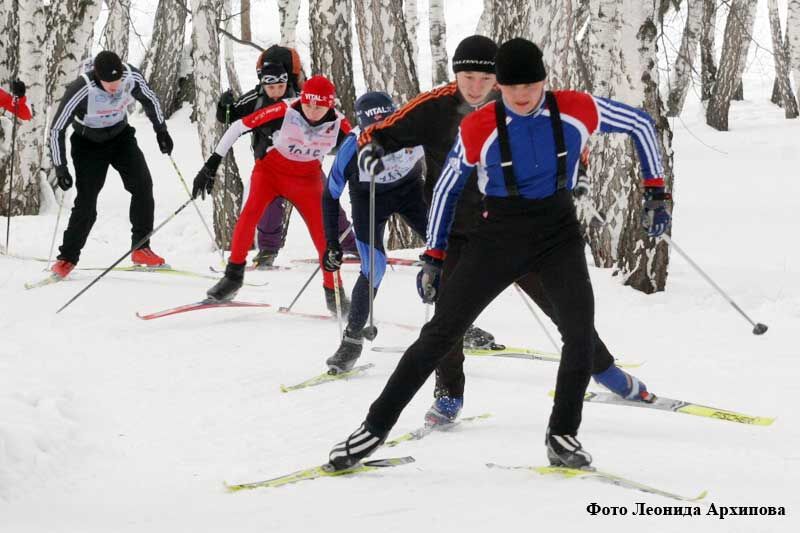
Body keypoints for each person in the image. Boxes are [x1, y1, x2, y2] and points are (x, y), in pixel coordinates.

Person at [328, 38, 670, 470]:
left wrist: (656, 192)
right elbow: (448, 189)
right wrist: (434, 255)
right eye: (512, 89)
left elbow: (640, 124)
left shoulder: (577, 107)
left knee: (578, 331)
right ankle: (372, 431)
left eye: (531, 86)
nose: (523, 97)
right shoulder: (478, 126)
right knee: (440, 333)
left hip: (558, 234)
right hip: (496, 236)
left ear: (544, 80)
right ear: (501, 89)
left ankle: (562, 435)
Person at [194, 75, 352, 312]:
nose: (311, 111)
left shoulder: (341, 124)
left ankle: (335, 294)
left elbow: (362, 145)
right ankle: (232, 278)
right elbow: (238, 126)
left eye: (318, 106)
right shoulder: (285, 109)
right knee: (249, 216)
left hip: (307, 181)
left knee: (324, 237)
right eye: (308, 103)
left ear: (330, 104)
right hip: (270, 173)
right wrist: (212, 163)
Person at [216, 45, 357, 269]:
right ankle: (267, 251)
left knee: (325, 202)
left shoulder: (302, 94)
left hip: (306, 161)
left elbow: (328, 116)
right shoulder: (257, 96)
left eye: (283, 79)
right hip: (270, 160)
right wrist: (223, 106)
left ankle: (348, 243)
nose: (276, 87)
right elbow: (232, 117)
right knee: (270, 206)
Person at [322, 91, 427, 373]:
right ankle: (352, 340)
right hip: (369, 201)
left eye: (387, 122)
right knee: (374, 267)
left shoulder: (412, 129)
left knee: (447, 250)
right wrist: (332, 242)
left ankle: (460, 325)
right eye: (373, 126)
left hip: (411, 193)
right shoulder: (351, 146)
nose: (380, 131)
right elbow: (330, 195)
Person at [48, 51, 173, 278]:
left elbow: (150, 98)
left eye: (117, 82)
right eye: (109, 83)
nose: (114, 87)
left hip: (120, 136)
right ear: (98, 76)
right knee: (87, 202)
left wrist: (161, 130)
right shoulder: (82, 88)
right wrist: (60, 166)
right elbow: (57, 128)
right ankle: (67, 258)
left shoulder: (131, 75)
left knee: (143, 185)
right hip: (88, 143)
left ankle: (141, 247)